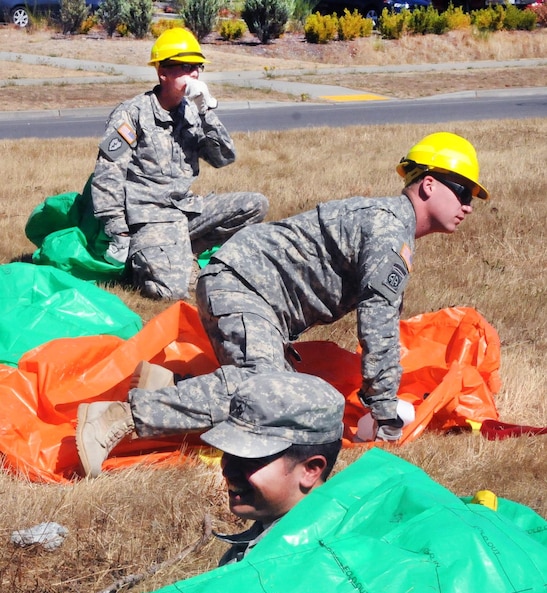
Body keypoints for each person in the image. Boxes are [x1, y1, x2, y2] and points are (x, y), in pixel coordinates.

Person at [76, 131, 489, 478]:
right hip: (242, 286)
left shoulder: (388, 225)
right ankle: (119, 418)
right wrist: (384, 416)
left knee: (288, 405)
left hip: (252, 293)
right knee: (264, 391)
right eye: (463, 191)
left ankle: (170, 386)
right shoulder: (388, 233)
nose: (469, 205)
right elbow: (378, 327)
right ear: (429, 184)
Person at [91, 27, 268, 300]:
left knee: (254, 205)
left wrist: (206, 111)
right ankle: (142, 260)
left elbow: (223, 158)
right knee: (171, 293)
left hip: (185, 210)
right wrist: (118, 230)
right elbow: (107, 171)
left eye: (197, 67)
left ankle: (187, 250)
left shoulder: (192, 111)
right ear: (163, 72)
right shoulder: (132, 114)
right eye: (185, 67)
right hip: (150, 218)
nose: (194, 74)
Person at [199, 372, 345, 566]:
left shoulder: (310, 564)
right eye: (228, 452)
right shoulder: (273, 541)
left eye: (250, 459)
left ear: (311, 469)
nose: (228, 471)